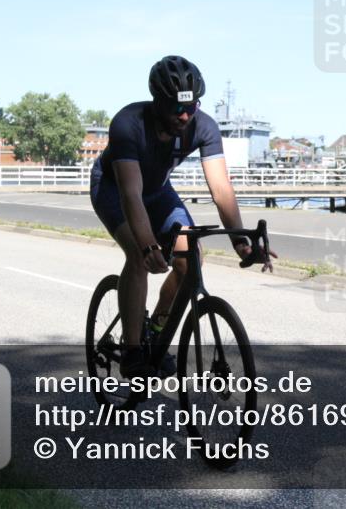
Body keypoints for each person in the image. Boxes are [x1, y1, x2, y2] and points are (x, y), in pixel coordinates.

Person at [90, 55, 275, 378]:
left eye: (192, 106)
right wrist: (148, 245)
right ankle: (133, 351)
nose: (186, 115)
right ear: (158, 102)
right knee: (136, 254)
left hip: (159, 191)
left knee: (191, 256)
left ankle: (157, 328)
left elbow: (221, 189)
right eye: (177, 108)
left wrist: (241, 243)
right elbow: (131, 194)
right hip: (115, 190)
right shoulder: (128, 123)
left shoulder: (203, 126)